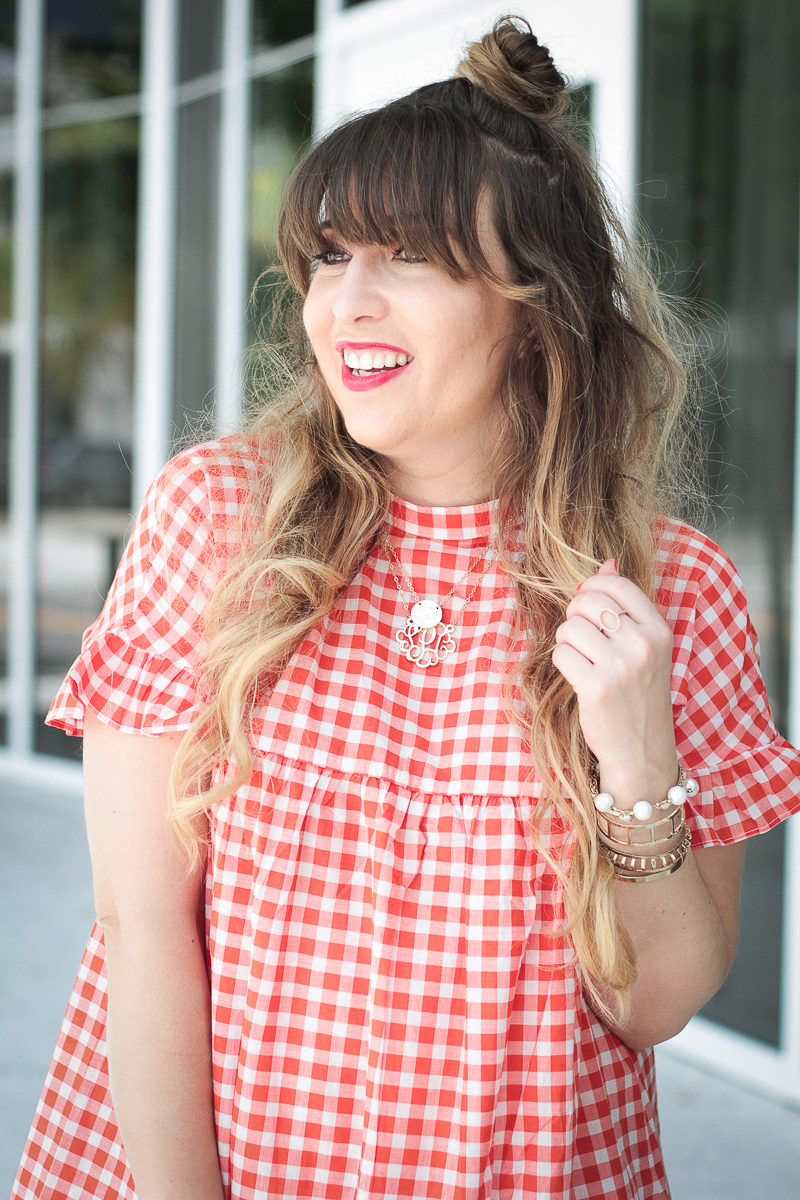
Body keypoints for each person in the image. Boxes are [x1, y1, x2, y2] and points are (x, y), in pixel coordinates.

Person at [13, 15, 800, 1200]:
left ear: (534, 304)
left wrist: (633, 753)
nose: (348, 303)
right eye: (330, 257)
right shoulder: (216, 520)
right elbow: (141, 932)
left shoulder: (669, 589)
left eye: (408, 258)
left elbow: (654, 1005)